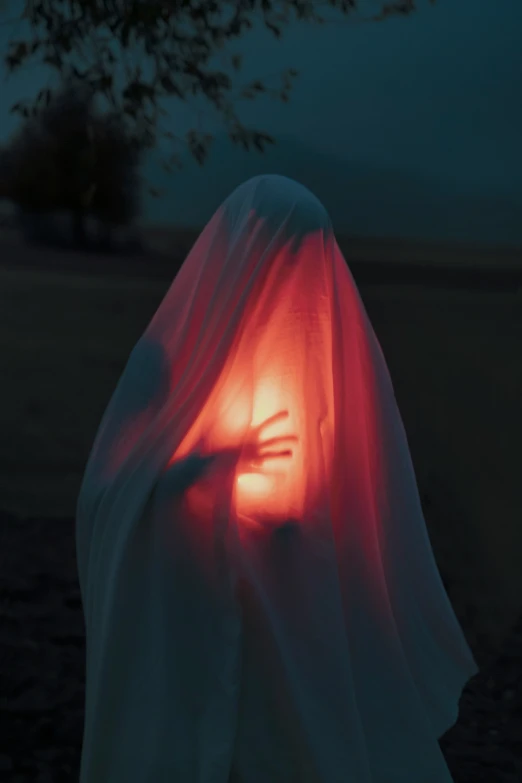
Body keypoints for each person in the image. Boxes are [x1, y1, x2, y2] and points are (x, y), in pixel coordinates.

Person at [75, 174, 478, 783]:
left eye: (311, 253)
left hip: (287, 633)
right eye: (285, 250)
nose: (297, 273)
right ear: (248, 249)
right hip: (195, 624)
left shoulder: (325, 366)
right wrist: (197, 473)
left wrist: (291, 531)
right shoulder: (171, 362)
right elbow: (109, 499)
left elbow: (349, 504)